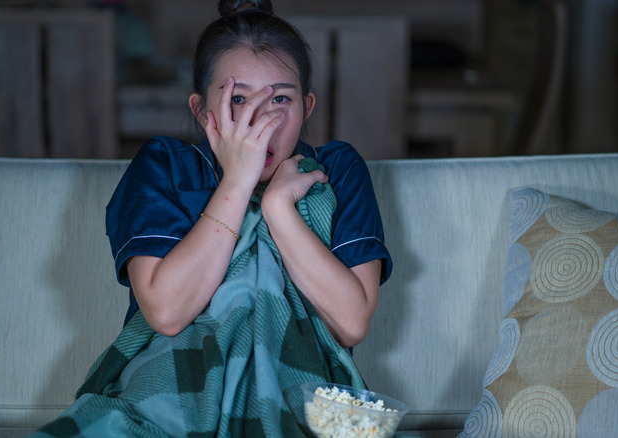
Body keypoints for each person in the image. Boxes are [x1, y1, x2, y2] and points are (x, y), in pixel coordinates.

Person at [32, 0, 392, 436]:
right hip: (165, 398)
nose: (260, 121)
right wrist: (238, 183)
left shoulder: (335, 171)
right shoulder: (165, 166)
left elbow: (351, 322)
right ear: (203, 111)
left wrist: (279, 210)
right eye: (238, 99)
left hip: (302, 403)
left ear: (308, 106)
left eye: (280, 98)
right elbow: (166, 311)